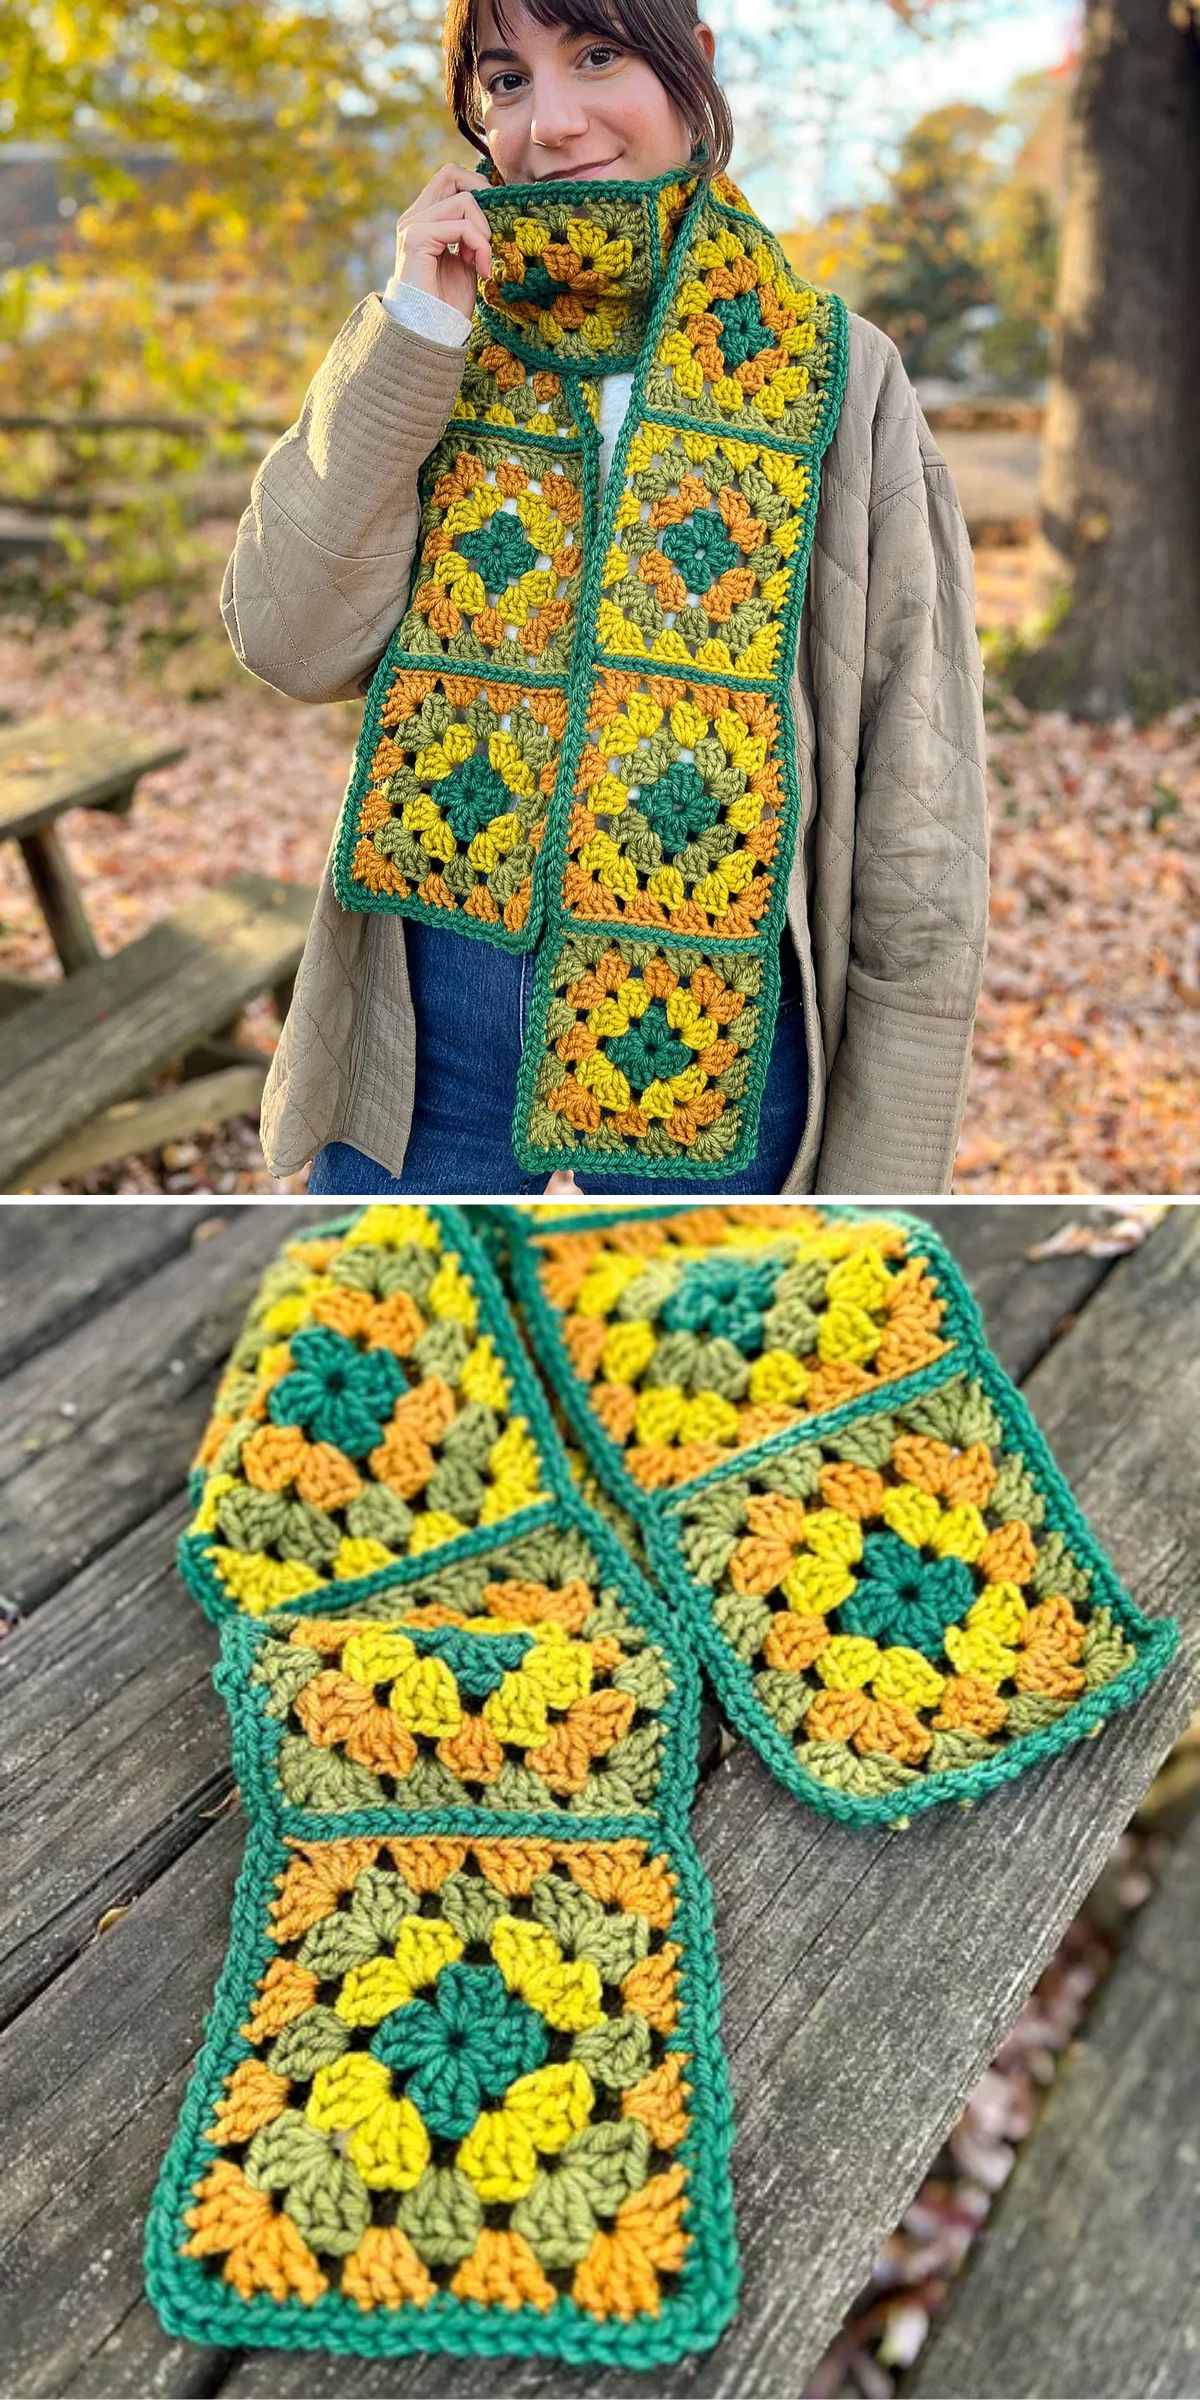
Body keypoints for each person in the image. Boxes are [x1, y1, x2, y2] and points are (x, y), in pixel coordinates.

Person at [220, 0, 989, 1196]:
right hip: (425, 1054)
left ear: (696, 74)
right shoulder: (436, 334)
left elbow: (917, 815)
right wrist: (413, 329)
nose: (554, 121)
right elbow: (286, 638)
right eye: (508, 80)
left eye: (597, 58)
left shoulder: (838, 372)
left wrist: (882, 1181)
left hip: (721, 1061)